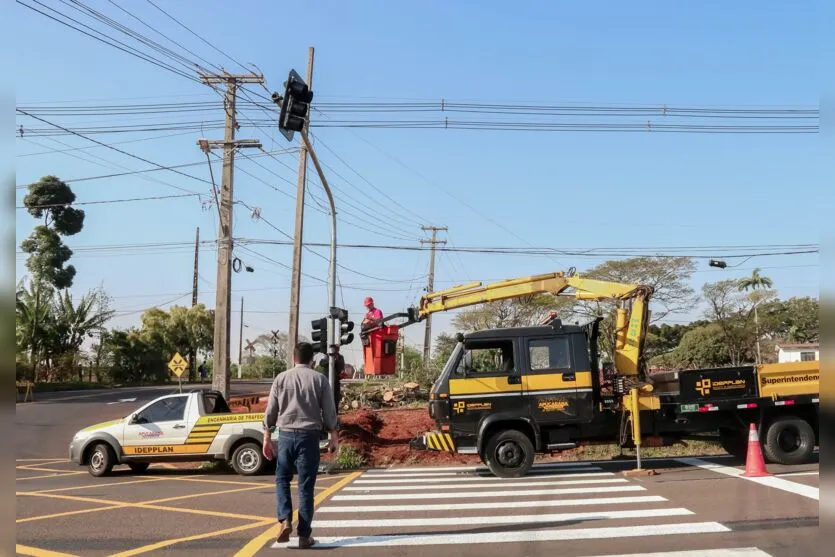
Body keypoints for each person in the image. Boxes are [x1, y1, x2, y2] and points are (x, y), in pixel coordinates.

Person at [262, 342, 339, 549]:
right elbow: (329, 411)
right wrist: (334, 435)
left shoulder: (281, 378)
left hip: (286, 436)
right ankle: (304, 536)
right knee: (306, 486)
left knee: (282, 479)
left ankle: (284, 519)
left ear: (293, 359)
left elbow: (271, 411)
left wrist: (267, 436)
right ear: (312, 361)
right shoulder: (320, 379)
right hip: (310, 438)